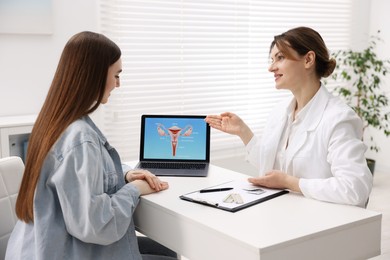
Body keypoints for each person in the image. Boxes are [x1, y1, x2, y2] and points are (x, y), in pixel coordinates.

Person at [6, 31, 177, 260]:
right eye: (116, 75)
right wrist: (134, 190)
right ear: (94, 76)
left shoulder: (54, 122)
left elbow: (81, 182)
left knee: (163, 249)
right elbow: (97, 226)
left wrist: (124, 176)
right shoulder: (80, 139)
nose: (118, 84)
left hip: (37, 246)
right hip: (67, 250)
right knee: (169, 254)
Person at [205, 27, 373, 208]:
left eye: (280, 58)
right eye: (271, 60)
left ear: (308, 60)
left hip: (321, 221)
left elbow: (355, 188)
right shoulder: (280, 111)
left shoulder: (339, 118)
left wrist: (291, 183)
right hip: (283, 212)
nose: (271, 67)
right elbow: (271, 166)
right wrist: (243, 132)